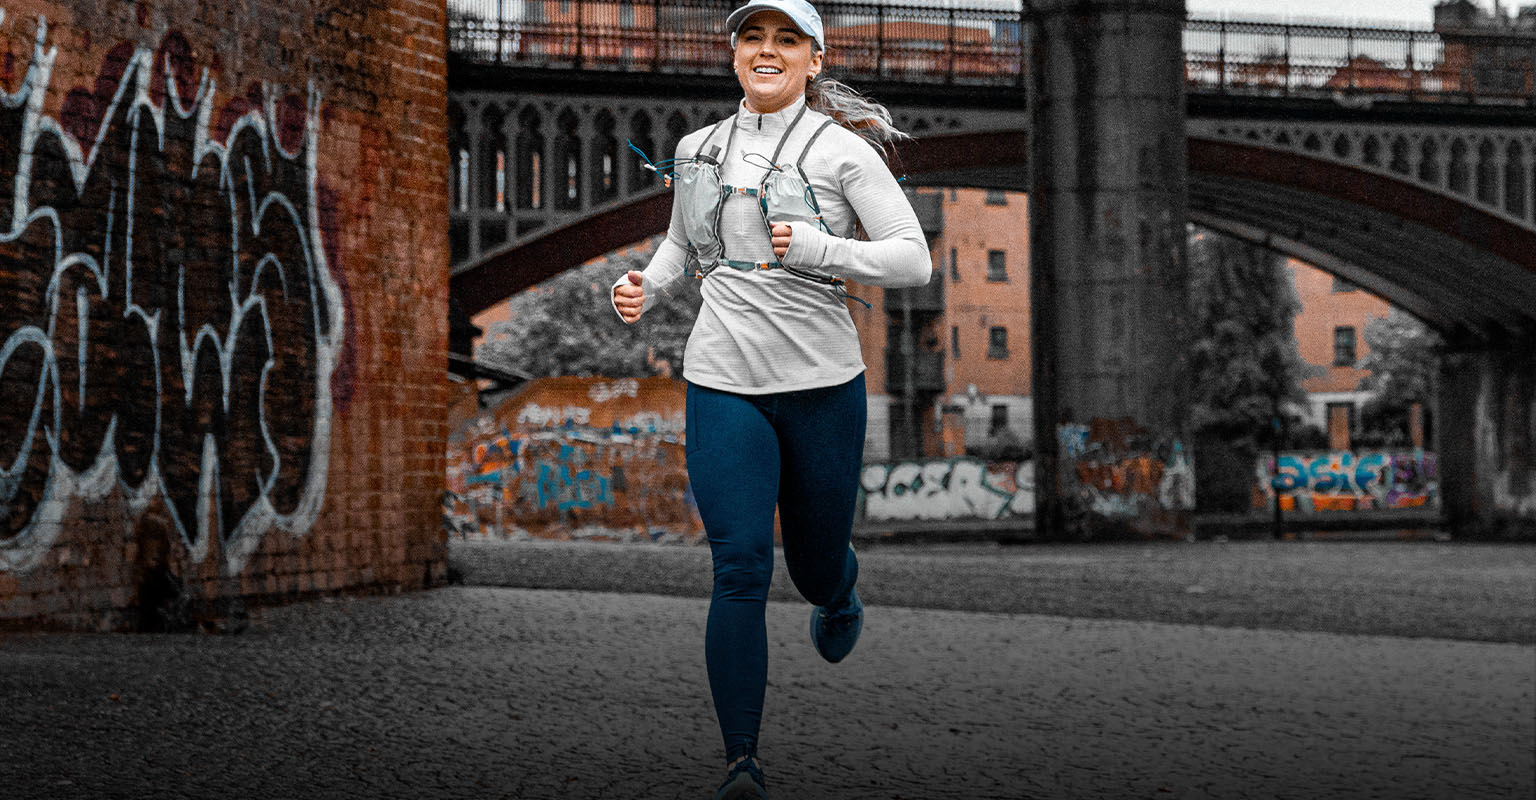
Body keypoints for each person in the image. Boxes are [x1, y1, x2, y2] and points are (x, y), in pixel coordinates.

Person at [610, 1, 931, 797]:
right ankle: (742, 763)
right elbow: (683, 243)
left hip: (823, 387)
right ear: (733, 55)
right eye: (752, 37)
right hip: (724, 382)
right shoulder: (697, 149)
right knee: (740, 567)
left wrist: (823, 246)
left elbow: (913, 259)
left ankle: (838, 590)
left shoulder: (843, 151)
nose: (767, 50)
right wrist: (646, 284)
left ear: (813, 60)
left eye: (787, 40)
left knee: (813, 566)